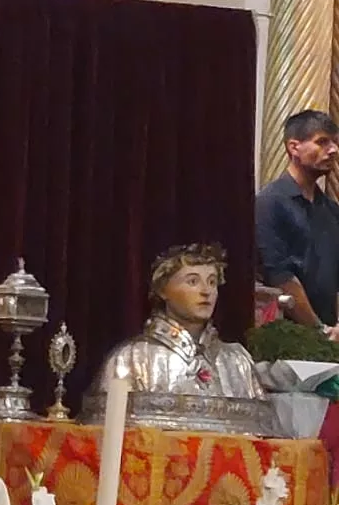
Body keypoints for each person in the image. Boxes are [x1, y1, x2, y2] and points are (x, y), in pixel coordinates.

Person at [93, 243, 260, 399]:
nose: (206, 291)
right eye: (192, 281)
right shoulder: (131, 358)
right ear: (163, 290)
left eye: (212, 282)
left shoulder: (237, 361)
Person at [255, 109, 339, 337]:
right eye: (322, 142)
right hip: (287, 339)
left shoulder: (331, 210)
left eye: (334, 142)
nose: (333, 150)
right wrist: (319, 331)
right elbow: (280, 275)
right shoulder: (269, 203)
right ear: (294, 147)